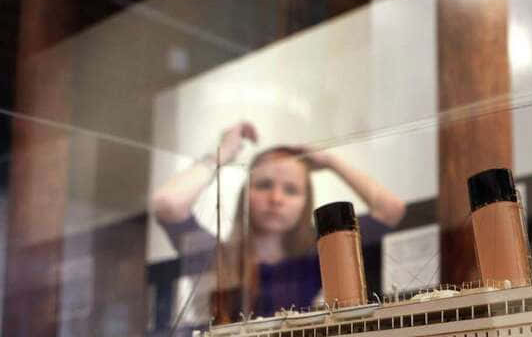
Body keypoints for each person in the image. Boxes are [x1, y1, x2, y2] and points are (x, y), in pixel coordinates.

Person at [152, 121, 407, 323]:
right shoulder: (217, 256)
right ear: (246, 193)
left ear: (306, 201)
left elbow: (390, 209)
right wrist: (221, 155)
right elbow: (167, 203)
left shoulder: (318, 254)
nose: (276, 199)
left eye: (291, 190)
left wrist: (331, 162)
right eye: (264, 185)